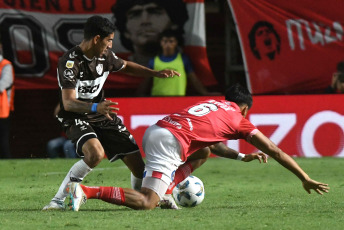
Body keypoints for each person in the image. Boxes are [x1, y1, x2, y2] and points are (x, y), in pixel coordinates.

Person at [67, 84, 329, 211]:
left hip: (158, 131)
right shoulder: (239, 119)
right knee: (147, 202)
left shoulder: (214, 104)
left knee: (203, 152)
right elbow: (276, 150)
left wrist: (240, 156)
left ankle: (167, 189)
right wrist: (304, 178)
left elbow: (211, 146)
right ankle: (86, 191)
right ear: (246, 108)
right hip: (170, 143)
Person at [42, 15, 180, 210]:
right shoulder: (69, 62)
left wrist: (154, 73)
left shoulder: (105, 56)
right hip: (76, 115)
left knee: (139, 168)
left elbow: (127, 66)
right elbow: (68, 102)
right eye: (109, 40)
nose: (110, 45)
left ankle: (143, 199)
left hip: (101, 114)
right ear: (97, 39)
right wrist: (94, 107)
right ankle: (57, 201)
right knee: (95, 154)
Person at [138, 29, 221, 96]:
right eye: (165, 41)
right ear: (160, 43)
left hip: (178, 99)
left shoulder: (183, 59)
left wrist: (205, 93)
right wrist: (139, 95)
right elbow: (146, 81)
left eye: (171, 41)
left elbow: (194, 79)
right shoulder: (154, 61)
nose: (168, 44)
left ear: (176, 43)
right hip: (157, 99)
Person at [111, 0, 188, 66]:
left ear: (174, 23)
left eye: (155, 12)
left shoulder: (185, 61)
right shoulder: (113, 66)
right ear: (125, 31)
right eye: (135, 15)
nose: (145, 21)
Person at [0, 34, 15, 159]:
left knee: (3, 140)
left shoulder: (6, 65)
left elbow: (3, 85)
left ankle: (7, 164)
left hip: (2, 110)